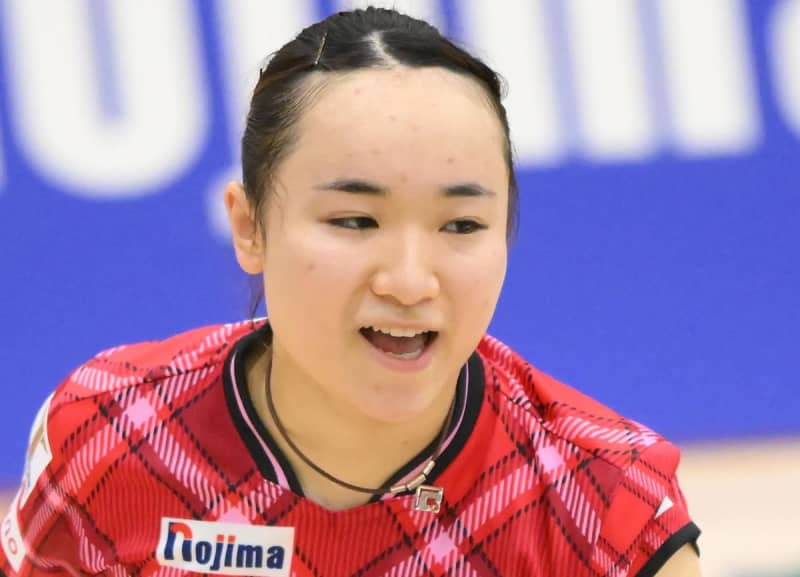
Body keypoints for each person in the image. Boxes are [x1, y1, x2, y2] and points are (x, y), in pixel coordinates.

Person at [1, 7, 701, 577]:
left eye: (461, 224)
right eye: (355, 221)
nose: (409, 281)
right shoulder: (113, 431)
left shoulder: (606, 500)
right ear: (250, 228)